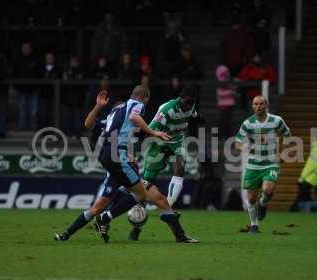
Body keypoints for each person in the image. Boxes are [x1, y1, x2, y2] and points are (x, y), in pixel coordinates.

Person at [54, 89, 197, 243]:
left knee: (97, 207)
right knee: (150, 197)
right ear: (145, 98)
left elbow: (87, 124)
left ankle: (65, 234)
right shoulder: (137, 105)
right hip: (121, 160)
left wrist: (97, 106)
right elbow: (135, 117)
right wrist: (154, 133)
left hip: (109, 161)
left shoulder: (111, 117)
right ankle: (106, 218)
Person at [126, 86, 203, 240]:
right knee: (145, 187)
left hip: (176, 141)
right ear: (181, 98)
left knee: (181, 166)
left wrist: (197, 117)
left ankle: (169, 207)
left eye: (191, 103)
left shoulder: (191, 105)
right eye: (186, 103)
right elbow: (150, 130)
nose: (188, 106)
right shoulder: (167, 110)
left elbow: (192, 114)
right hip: (158, 142)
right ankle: (136, 227)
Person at [235, 95, 290, 233]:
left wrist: (283, 152)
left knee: (268, 190)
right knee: (251, 198)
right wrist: (247, 148)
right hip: (253, 165)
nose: (258, 106)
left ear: (266, 105)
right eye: (255, 104)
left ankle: (263, 203)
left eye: (261, 104)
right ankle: (254, 225)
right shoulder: (248, 123)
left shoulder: (276, 121)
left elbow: (287, 134)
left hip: (271, 163)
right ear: (252, 106)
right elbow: (237, 143)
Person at [12, 41, 40, 130]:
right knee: (22, 110)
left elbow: (39, 74)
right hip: (22, 90)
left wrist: (36, 86)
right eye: (24, 48)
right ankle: (22, 127)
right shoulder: (18, 60)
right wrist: (17, 87)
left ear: (30, 49)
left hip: (33, 89)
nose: (26, 50)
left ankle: (33, 127)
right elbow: (14, 74)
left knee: (33, 110)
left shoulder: (35, 59)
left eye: (27, 48)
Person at [215, 65, 236, 140]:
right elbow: (220, 93)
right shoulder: (220, 83)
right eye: (225, 73)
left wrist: (232, 91)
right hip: (223, 105)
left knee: (228, 121)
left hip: (229, 104)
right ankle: (222, 135)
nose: (226, 74)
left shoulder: (229, 82)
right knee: (223, 121)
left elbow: (233, 92)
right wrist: (231, 91)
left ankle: (227, 135)